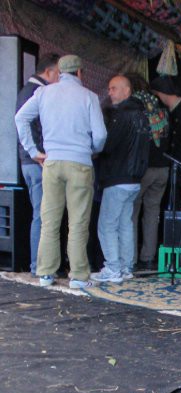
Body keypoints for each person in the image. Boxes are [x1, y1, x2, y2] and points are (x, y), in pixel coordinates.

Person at [15, 54, 107, 290]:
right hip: (80, 164)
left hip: (52, 162)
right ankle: (77, 276)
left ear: (59, 72)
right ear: (79, 73)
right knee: (77, 222)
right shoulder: (89, 97)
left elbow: (20, 118)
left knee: (49, 220)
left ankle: (45, 273)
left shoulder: (44, 93)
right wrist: (92, 150)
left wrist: (34, 151)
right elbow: (100, 135)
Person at [90, 75, 149, 284]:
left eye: (114, 88)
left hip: (117, 177)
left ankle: (112, 268)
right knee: (125, 224)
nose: (110, 93)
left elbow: (107, 145)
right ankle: (125, 267)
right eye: (109, 88)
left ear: (127, 90)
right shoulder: (142, 114)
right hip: (134, 179)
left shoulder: (122, 115)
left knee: (107, 224)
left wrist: (93, 149)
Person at [15, 53, 60, 276]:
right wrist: (37, 153)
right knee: (43, 214)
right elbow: (27, 124)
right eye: (59, 74)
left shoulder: (27, 90)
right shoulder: (37, 92)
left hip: (29, 161)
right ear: (49, 72)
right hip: (36, 162)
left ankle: (39, 265)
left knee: (41, 213)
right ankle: (38, 266)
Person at [129, 75, 170, 271]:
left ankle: (132, 258)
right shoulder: (160, 105)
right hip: (163, 167)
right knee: (152, 213)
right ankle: (148, 257)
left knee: (132, 213)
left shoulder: (135, 104)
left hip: (142, 168)